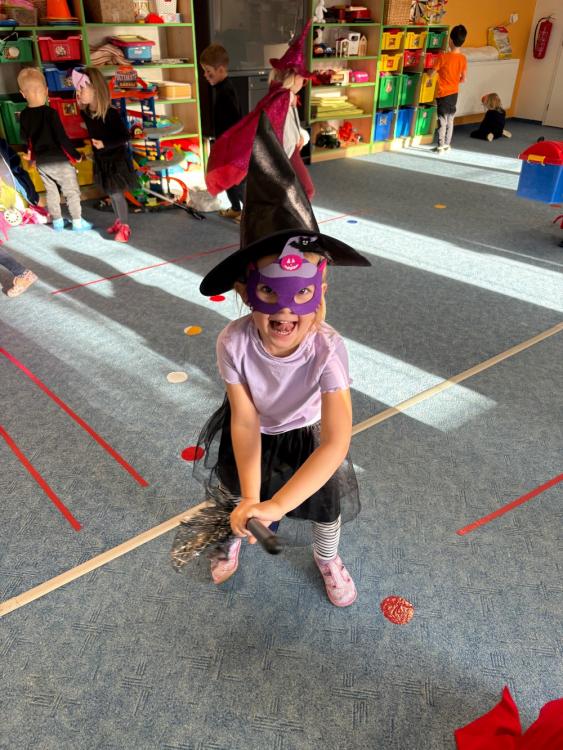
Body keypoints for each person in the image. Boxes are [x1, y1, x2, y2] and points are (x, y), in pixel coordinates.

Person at [188, 112, 371, 607]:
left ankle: (327, 557)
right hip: (253, 432)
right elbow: (245, 421)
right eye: (269, 291)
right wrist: (254, 500)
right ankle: (233, 534)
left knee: (325, 510)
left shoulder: (327, 349)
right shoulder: (233, 343)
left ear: (320, 289)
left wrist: (279, 504)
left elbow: (335, 441)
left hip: (306, 437)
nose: (285, 309)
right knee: (234, 495)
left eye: (300, 292)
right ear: (245, 290)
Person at [205, 21, 315, 201]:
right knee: (305, 191)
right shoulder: (283, 98)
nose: (304, 82)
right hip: (284, 153)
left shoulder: (282, 96)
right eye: (303, 78)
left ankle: (287, 215)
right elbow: (278, 129)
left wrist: (301, 134)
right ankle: (290, 217)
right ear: (294, 77)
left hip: (284, 151)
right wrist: (294, 140)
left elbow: (286, 124)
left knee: (291, 192)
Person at [17, 68, 92, 232]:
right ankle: (77, 222)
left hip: (42, 162)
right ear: (46, 91)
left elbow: (24, 138)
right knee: (71, 191)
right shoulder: (51, 113)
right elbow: (62, 138)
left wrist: (31, 154)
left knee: (51, 191)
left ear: (23, 94)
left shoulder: (24, 115)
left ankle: (57, 221)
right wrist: (76, 156)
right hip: (58, 160)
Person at [73, 67, 137, 243]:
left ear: (95, 89)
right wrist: (95, 151)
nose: (78, 93)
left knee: (116, 194)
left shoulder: (111, 113)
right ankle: (119, 221)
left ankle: (125, 227)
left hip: (116, 161)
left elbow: (125, 137)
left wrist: (105, 144)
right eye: (77, 89)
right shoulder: (87, 113)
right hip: (102, 160)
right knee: (111, 193)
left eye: (82, 89)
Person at [200, 43, 245, 223]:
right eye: (204, 71)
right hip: (223, 143)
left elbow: (235, 122)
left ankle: (249, 214)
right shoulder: (219, 88)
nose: (205, 75)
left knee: (236, 181)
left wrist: (228, 145)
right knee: (226, 178)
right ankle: (235, 208)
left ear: (220, 70)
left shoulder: (227, 91)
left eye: (208, 71)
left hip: (231, 146)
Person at [431, 24, 467, 153]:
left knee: (442, 119)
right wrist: (454, 82)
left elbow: (432, 72)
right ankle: (447, 144)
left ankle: (440, 145)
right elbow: (463, 79)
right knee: (450, 119)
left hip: (443, 93)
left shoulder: (443, 57)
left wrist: (428, 74)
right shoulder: (463, 58)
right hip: (454, 93)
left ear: (450, 40)